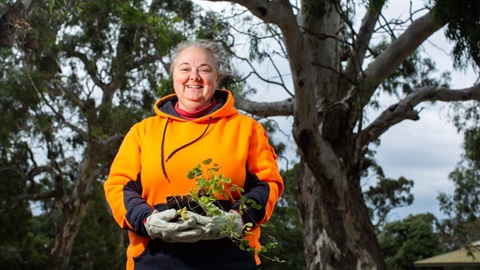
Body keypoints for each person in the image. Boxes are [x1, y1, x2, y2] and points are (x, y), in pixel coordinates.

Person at [104, 39, 284, 270]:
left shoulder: (247, 129)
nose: (194, 77)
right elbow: (117, 186)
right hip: (154, 261)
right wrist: (148, 220)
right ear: (173, 76)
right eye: (185, 68)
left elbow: (267, 184)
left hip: (233, 261)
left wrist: (236, 218)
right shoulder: (143, 131)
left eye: (205, 69)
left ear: (217, 79)